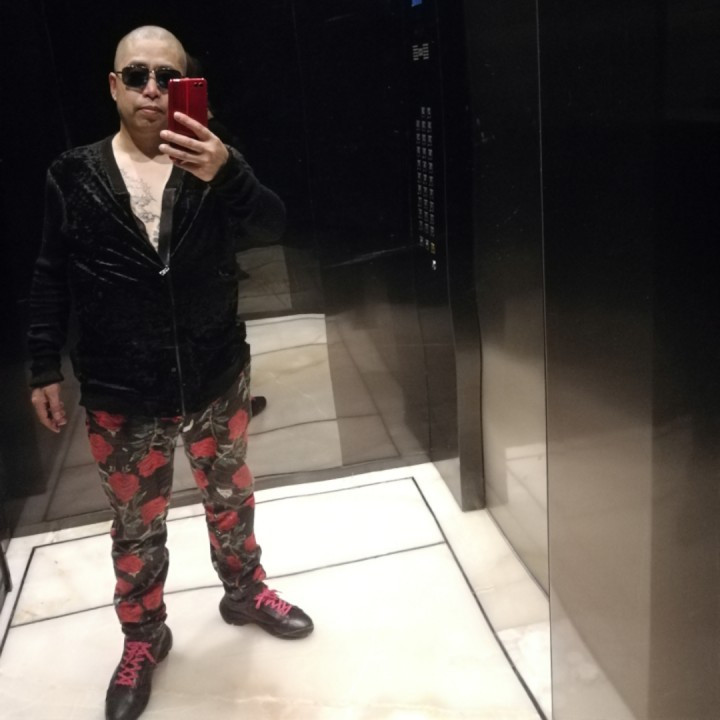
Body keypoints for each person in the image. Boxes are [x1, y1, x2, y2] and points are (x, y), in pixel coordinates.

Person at [27, 26, 313, 720]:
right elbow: (50, 274)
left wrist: (229, 172)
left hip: (216, 373)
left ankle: (244, 592)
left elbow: (274, 227)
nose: (152, 89)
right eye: (137, 75)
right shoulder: (73, 173)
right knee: (135, 528)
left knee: (231, 498)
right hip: (122, 391)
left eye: (168, 77)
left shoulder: (211, 158)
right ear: (114, 86)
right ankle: (143, 638)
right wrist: (41, 365)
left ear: (187, 86)